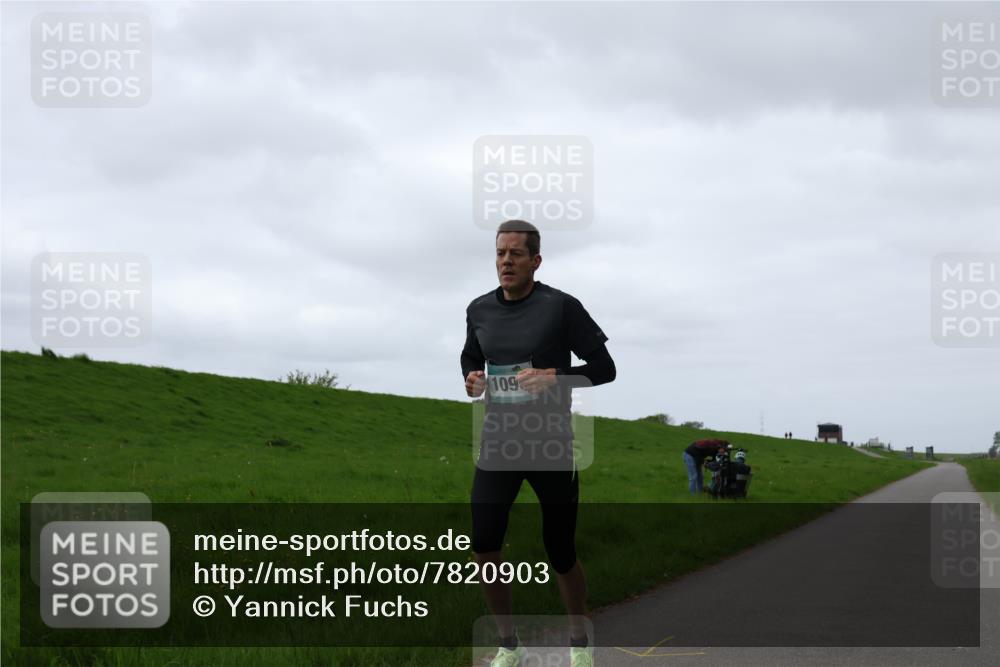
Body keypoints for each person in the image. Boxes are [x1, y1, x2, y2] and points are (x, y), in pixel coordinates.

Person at [462, 219, 616, 667]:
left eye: (515, 254)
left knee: (560, 548)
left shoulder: (562, 307)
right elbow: (472, 356)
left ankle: (579, 641)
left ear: (535, 260)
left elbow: (605, 367)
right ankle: (510, 646)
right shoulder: (478, 310)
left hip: (551, 447)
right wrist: (471, 379)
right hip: (497, 446)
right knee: (485, 543)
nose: (505, 261)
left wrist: (555, 377)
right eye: (499, 253)